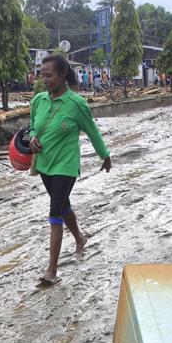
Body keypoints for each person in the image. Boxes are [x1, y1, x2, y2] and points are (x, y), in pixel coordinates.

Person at [28, 54, 111, 286]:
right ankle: (80, 238)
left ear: (63, 75)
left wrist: (104, 155)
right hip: (44, 164)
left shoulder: (77, 104)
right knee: (63, 205)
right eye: (42, 75)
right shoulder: (38, 101)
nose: (45, 79)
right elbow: (32, 125)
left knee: (55, 213)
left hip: (66, 166)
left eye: (49, 75)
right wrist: (33, 138)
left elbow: (92, 131)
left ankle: (51, 271)